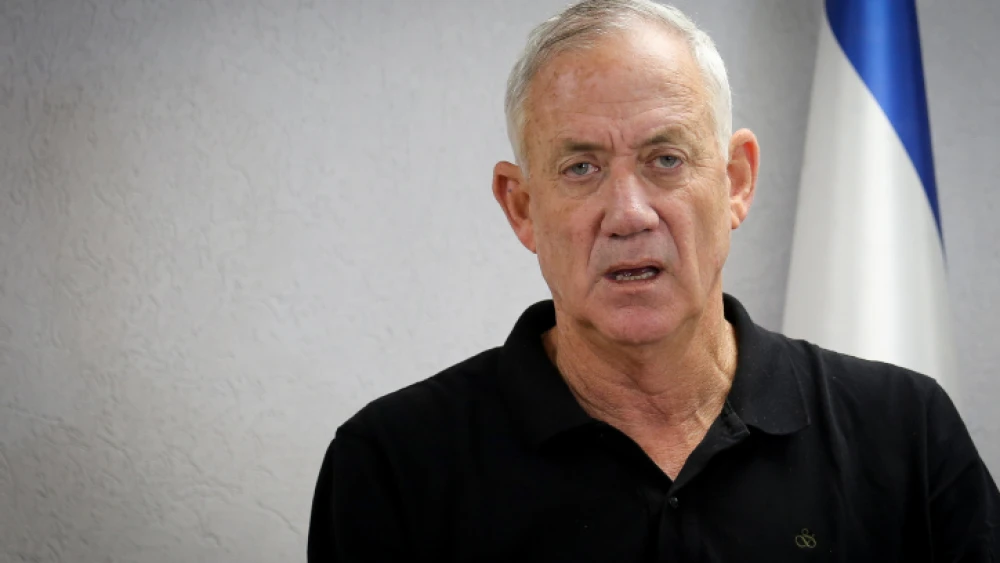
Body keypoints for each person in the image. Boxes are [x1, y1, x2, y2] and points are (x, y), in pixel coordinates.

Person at [307, 0, 1000, 560]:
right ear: (523, 207)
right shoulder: (392, 465)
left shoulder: (907, 433)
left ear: (735, 182)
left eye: (666, 159)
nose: (629, 213)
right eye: (581, 167)